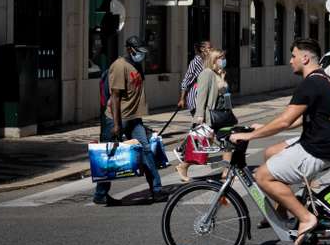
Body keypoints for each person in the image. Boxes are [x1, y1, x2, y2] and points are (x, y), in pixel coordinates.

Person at [230, 39, 330, 245]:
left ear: (305, 58)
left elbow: (285, 121)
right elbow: (298, 118)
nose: (290, 61)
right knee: (271, 152)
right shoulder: (321, 78)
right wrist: (263, 126)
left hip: (322, 147)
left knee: (261, 176)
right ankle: (281, 210)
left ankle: (306, 218)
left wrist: (249, 137)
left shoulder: (310, 84)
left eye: (293, 56)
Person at [93, 36, 167, 205]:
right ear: (129, 49)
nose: (142, 55)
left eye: (143, 52)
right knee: (109, 155)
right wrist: (117, 125)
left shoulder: (136, 64)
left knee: (147, 150)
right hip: (116, 118)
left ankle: (156, 189)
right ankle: (100, 194)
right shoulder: (119, 66)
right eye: (139, 52)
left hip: (134, 118)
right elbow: (116, 96)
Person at [175, 47, 232, 182]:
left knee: (228, 143)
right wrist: (199, 116)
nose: (223, 60)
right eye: (221, 58)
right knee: (202, 146)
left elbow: (226, 95)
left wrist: (229, 112)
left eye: (224, 58)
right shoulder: (206, 73)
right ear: (214, 59)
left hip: (222, 116)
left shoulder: (220, 73)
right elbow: (201, 96)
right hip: (210, 116)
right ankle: (183, 166)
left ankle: (226, 172)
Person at [177, 40, 212, 118]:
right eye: (209, 48)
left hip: (206, 97)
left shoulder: (208, 61)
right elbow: (187, 79)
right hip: (196, 98)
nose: (211, 50)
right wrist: (182, 99)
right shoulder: (195, 62)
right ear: (202, 49)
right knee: (199, 123)